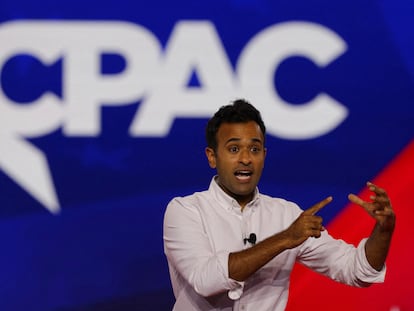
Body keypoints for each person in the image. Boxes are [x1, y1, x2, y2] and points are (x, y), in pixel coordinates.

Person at [163, 99, 395, 311]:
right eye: (234, 149)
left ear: (264, 155)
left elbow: (357, 271)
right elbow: (206, 280)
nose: (246, 158)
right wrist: (284, 239)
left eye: (254, 149)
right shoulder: (185, 211)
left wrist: (383, 231)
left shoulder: (287, 215)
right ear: (212, 157)